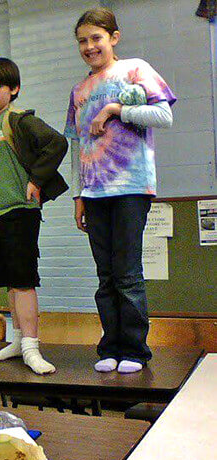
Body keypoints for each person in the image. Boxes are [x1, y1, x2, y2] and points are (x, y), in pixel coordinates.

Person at [66, 8, 175, 373]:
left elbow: (164, 115)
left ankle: (135, 350)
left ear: (113, 37)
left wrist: (116, 108)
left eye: (96, 38)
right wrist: (78, 195)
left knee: (127, 272)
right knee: (106, 275)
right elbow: (76, 144)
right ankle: (109, 347)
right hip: (94, 192)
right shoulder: (79, 90)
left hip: (130, 186)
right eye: (82, 40)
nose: (89, 46)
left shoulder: (134, 69)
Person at [0, 57, 68, 375]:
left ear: (14, 89)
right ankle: (18, 340)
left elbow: (56, 143)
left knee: (23, 281)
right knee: (9, 281)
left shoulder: (19, 119)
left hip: (19, 212)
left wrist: (36, 180)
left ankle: (32, 346)